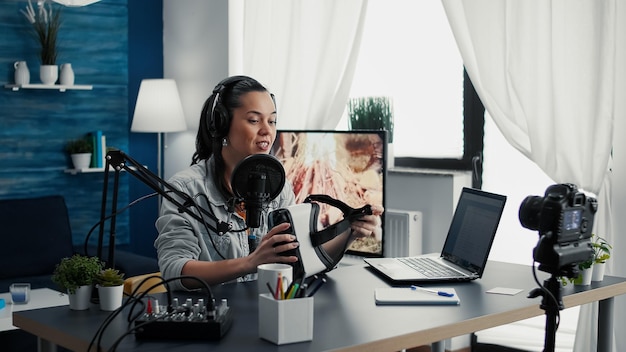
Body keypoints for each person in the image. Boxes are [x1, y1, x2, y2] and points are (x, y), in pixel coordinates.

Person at [154, 75, 383, 290]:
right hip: (211, 319)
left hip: (266, 311)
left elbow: (301, 260)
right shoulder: (186, 189)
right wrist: (250, 262)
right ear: (221, 125)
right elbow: (174, 272)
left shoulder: (279, 186)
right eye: (254, 120)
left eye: (272, 121)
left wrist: (350, 232)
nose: (267, 131)